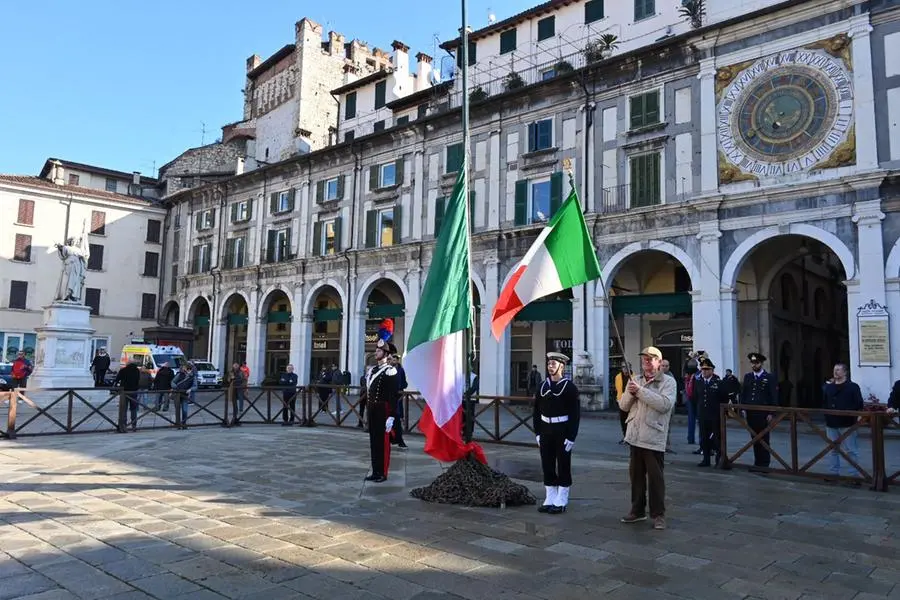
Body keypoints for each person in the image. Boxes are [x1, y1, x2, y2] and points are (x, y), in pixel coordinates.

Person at [619, 347, 676, 530]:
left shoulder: (668, 382)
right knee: (635, 476)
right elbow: (624, 406)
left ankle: (659, 514)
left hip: (653, 436)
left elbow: (665, 405)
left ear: (659, 363)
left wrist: (641, 392)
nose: (647, 363)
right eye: (644, 359)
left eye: (651, 359)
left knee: (655, 478)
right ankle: (637, 510)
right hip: (635, 435)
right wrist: (630, 391)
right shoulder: (635, 380)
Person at [533, 352, 581, 514]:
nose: (550, 366)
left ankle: (562, 498)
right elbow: (536, 411)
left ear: (562, 366)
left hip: (562, 429)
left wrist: (571, 436)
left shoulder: (569, 388)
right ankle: (550, 496)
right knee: (547, 463)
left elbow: (575, 414)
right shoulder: (542, 386)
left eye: (554, 363)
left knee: (563, 463)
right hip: (546, 428)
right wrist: (538, 432)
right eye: (549, 363)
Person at [822, 363, 864, 482]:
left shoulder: (853, 387)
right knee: (832, 449)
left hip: (848, 423)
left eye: (839, 370)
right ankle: (833, 473)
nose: (836, 372)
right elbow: (824, 403)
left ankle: (853, 476)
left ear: (845, 372)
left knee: (851, 450)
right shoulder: (828, 387)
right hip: (831, 422)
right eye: (835, 370)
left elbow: (858, 403)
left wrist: (857, 416)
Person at [365, 339, 400, 483]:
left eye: (379, 351)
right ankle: (375, 471)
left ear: (385, 354)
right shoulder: (373, 370)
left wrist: (391, 416)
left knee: (383, 444)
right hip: (372, 409)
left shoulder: (390, 370)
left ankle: (383, 473)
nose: (376, 353)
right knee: (374, 442)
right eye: (376, 350)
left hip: (383, 410)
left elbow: (393, 396)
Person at [739, 353, 777, 471]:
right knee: (754, 438)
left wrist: (771, 412)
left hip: (763, 413)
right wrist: (743, 408)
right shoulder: (748, 377)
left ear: (761, 363)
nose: (754, 365)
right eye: (752, 363)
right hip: (751, 413)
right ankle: (757, 462)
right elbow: (744, 394)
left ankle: (764, 464)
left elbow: (773, 396)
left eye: (756, 363)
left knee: (764, 439)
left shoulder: (769, 377)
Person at [695, 357, 727, 467]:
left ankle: (719, 459)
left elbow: (724, 398)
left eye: (707, 369)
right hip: (703, 414)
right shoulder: (699, 382)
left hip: (715, 415)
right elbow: (696, 397)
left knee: (717, 438)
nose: (704, 371)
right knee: (704, 437)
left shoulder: (718, 382)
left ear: (712, 370)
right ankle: (706, 459)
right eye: (703, 369)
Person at [113, 360, 141, 431]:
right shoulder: (137, 370)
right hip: (134, 391)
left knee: (124, 409)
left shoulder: (123, 370)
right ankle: (134, 425)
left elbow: (117, 379)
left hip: (124, 391)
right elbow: (138, 380)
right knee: (133, 409)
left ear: (127, 364)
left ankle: (123, 425)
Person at [392, 354, 408, 449]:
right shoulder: (389, 369)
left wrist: (400, 388)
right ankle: (394, 439)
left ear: (397, 361)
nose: (393, 361)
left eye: (394, 360)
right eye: (392, 359)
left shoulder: (400, 370)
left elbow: (403, 381)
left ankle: (399, 440)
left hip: (398, 395)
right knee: (392, 419)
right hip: (390, 396)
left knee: (397, 417)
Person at [614, 362, 631, 445]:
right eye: (623, 367)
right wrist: (618, 398)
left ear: (630, 368)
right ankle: (625, 437)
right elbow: (617, 388)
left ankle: (630, 438)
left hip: (631, 402)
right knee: (623, 420)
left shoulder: (634, 377)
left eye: (627, 367)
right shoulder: (618, 377)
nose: (625, 369)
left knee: (631, 421)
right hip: (621, 401)